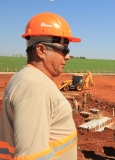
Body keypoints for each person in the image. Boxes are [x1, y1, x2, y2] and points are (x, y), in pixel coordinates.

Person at [0, 12, 81, 159]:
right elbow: (32, 156)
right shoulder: (35, 87)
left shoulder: (27, 79)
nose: (68, 56)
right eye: (64, 50)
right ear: (41, 50)